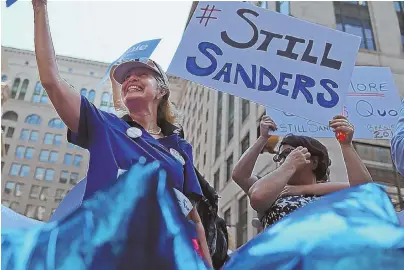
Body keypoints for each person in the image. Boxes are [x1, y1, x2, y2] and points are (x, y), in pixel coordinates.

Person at [31, 0, 212, 266]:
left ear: (162, 90)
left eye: (141, 74)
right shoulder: (104, 125)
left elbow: (193, 219)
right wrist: (39, 8)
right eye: (126, 78)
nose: (130, 80)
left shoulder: (180, 148)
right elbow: (51, 81)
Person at [232, 115, 373, 228]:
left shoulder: (331, 194)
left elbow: (365, 192)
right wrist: (263, 138)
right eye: (280, 157)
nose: (283, 161)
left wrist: (346, 144)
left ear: (314, 162)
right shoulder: (274, 191)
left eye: (289, 153)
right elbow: (242, 178)